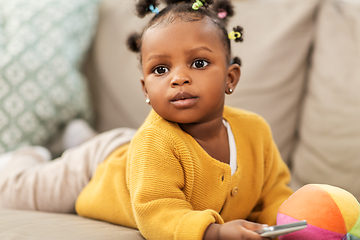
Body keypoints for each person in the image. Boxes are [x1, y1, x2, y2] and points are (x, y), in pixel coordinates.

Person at [0, 0, 293, 239]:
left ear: (230, 78)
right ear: (146, 90)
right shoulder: (154, 142)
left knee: (113, 145)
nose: (179, 78)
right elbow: (157, 211)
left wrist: (288, 225)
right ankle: (26, 154)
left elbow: (274, 191)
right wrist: (213, 233)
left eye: (199, 63)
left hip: (128, 148)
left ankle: (80, 136)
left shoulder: (255, 131)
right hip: (96, 169)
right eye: (161, 69)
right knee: (15, 191)